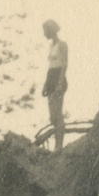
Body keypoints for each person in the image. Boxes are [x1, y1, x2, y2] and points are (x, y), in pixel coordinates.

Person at [42, 20, 68, 153]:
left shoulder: (62, 45)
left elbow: (64, 65)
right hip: (51, 79)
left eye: (45, 30)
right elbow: (50, 66)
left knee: (57, 114)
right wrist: (46, 83)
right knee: (52, 116)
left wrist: (59, 83)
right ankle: (57, 144)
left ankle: (59, 146)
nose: (44, 33)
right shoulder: (51, 46)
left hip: (58, 79)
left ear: (51, 30)